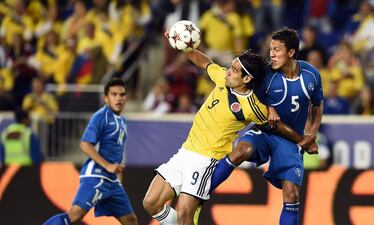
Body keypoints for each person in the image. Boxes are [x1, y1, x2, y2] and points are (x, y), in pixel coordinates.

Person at [142, 32, 314, 225]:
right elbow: (204, 62)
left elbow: (278, 126)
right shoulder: (222, 78)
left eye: (234, 69)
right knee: (151, 203)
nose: (228, 72)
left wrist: (302, 140)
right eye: (230, 67)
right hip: (185, 152)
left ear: (247, 79)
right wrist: (183, 46)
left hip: (206, 160)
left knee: (184, 215)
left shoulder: (252, 107)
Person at [210, 27, 323, 225]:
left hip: (290, 139)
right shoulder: (266, 75)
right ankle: (202, 191)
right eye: (271, 49)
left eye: (277, 49)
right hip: (264, 131)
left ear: (291, 53)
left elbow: (317, 104)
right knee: (241, 151)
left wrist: (311, 133)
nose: (271, 53)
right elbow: (253, 97)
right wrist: (269, 108)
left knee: (291, 194)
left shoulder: (311, 75)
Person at [42, 78, 138, 225]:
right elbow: (85, 144)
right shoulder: (100, 116)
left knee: (130, 220)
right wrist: (107, 166)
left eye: (121, 94)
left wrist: (118, 175)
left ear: (126, 98)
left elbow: (117, 151)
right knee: (74, 215)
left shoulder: (122, 121)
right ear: (106, 98)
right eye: (114, 94)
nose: (118, 98)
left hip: (113, 182)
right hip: (97, 176)